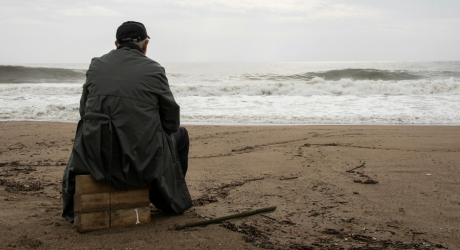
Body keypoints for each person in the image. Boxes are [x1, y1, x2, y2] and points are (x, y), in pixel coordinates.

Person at [62, 21, 192, 223]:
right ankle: (166, 197)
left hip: (94, 157)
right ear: (145, 44)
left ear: (116, 43)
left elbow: (84, 112)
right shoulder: (154, 70)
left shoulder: (96, 65)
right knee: (181, 136)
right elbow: (171, 121)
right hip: (139, 160)